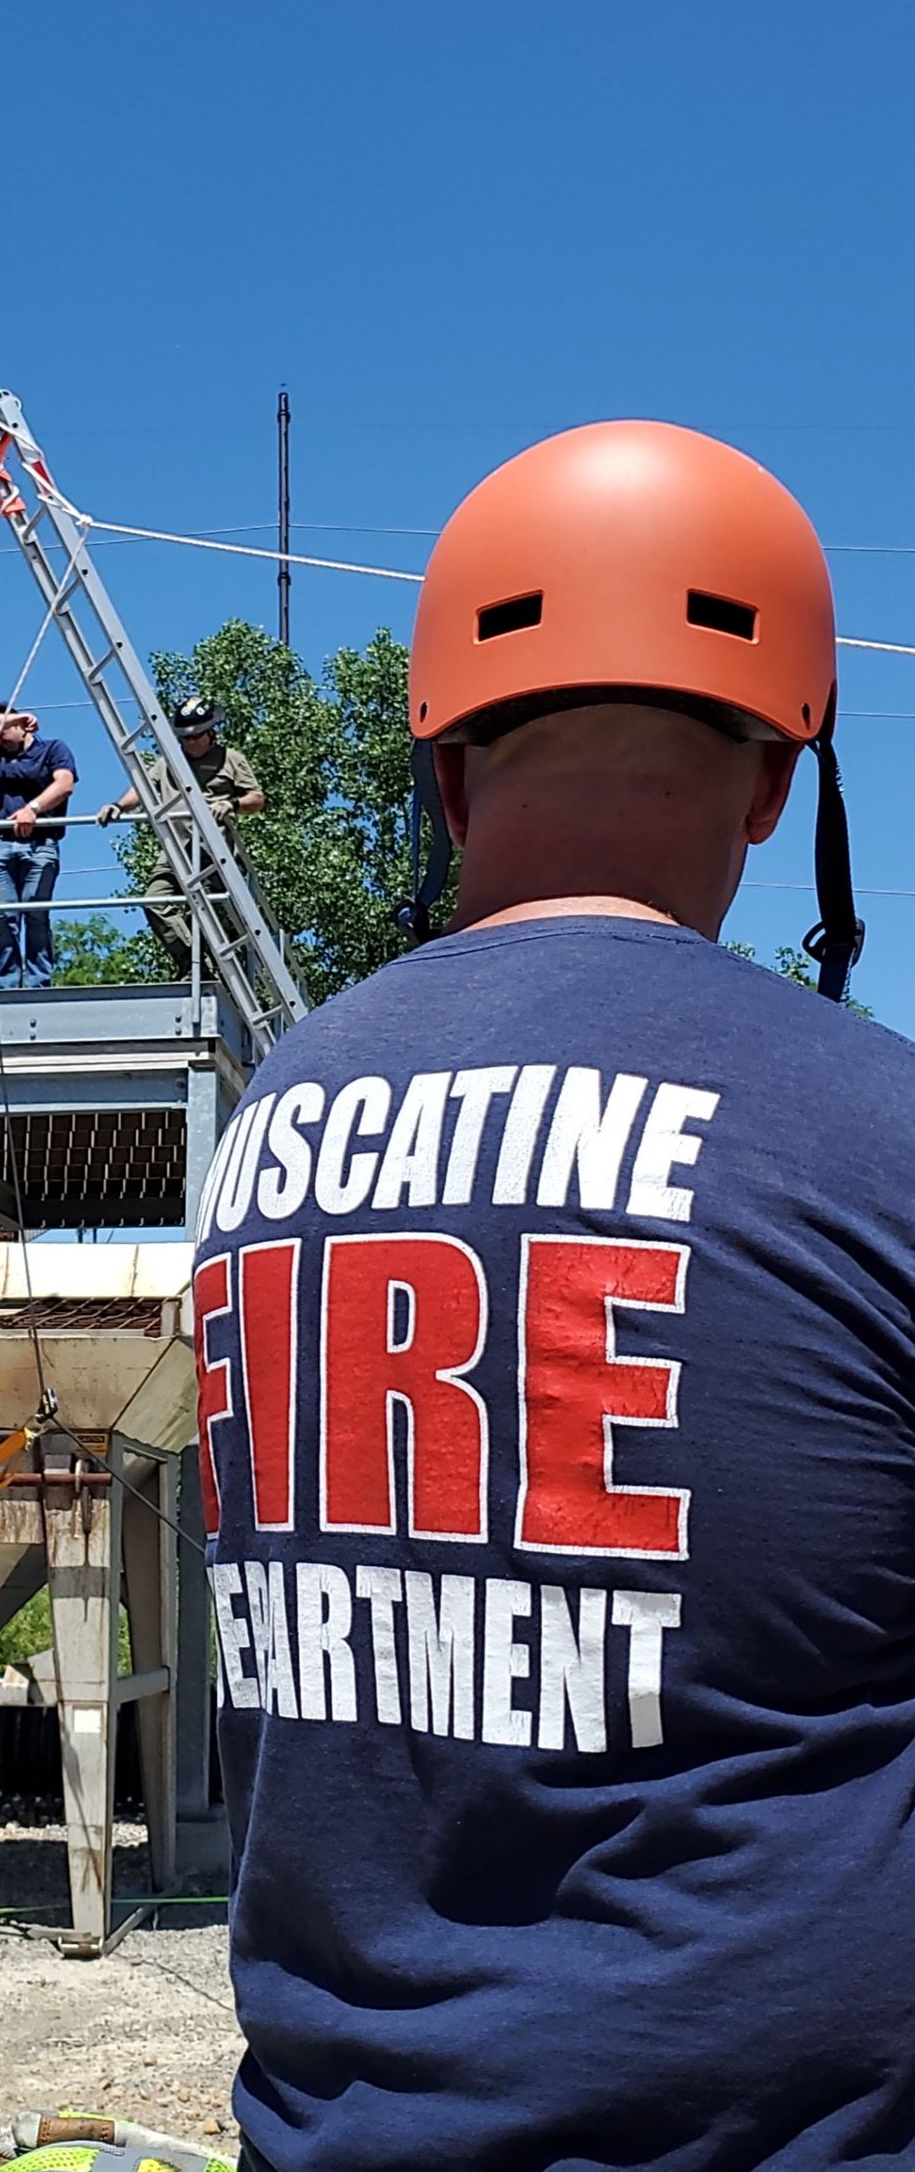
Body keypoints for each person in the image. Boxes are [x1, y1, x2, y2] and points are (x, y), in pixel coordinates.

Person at [192, 419, 906, 2172]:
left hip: (326, 2128)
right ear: (767, 784)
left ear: (440, 777)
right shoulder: (872, 1130)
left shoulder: (270, 1122)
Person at [98, 696, 265, 971]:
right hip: (174, 849)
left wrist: (231, 804)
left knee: (205, 913)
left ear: (210, 732)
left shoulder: (230, 759)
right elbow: (141, 789)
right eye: (184, 738)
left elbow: (257, 799)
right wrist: (118, 806)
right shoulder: (168, 763)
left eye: (196, 736)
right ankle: (194, 965)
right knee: (155, 901)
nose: (190, 743)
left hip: (214, 852)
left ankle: (217, 969)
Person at [0, 699, 77, 990]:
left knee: (35, 913)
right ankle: (7, 985)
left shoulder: (53, 749)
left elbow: (65, 784)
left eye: (5, 729)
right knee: (4, 918)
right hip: (2, 845)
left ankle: (39, 982)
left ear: (20, 727)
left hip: (41, 845)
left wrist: (34, 808)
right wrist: (18, 717)